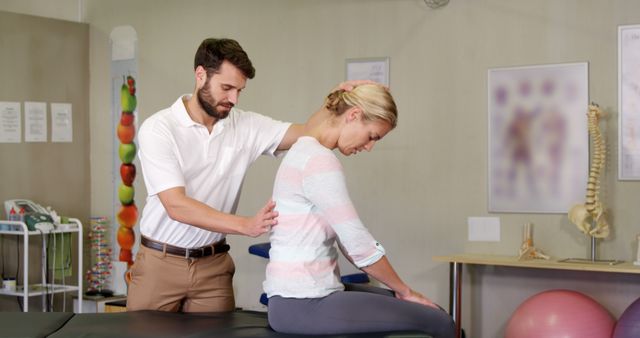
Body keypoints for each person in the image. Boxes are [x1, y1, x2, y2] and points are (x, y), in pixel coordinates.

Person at [128, 37, 363, 313]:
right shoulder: (159, 129)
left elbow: (306, 134)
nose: (233, 99)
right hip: (160, 263)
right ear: (200, 75)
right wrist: (245, 225)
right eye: (226, 88)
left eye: (239, 90)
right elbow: (176, 205)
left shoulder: (245, 125)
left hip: (213, 268)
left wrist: (333, 102)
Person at [264, 84, 455, 337]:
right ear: (353, 115)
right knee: (440, 321)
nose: (369, 147)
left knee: (416, 307)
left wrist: (398, 291)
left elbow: (348, 242)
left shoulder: (303, 150)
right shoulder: (318, 160)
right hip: (303, 304)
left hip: (299, 300)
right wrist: (406, 291)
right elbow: (358, 244)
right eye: (372, 136)